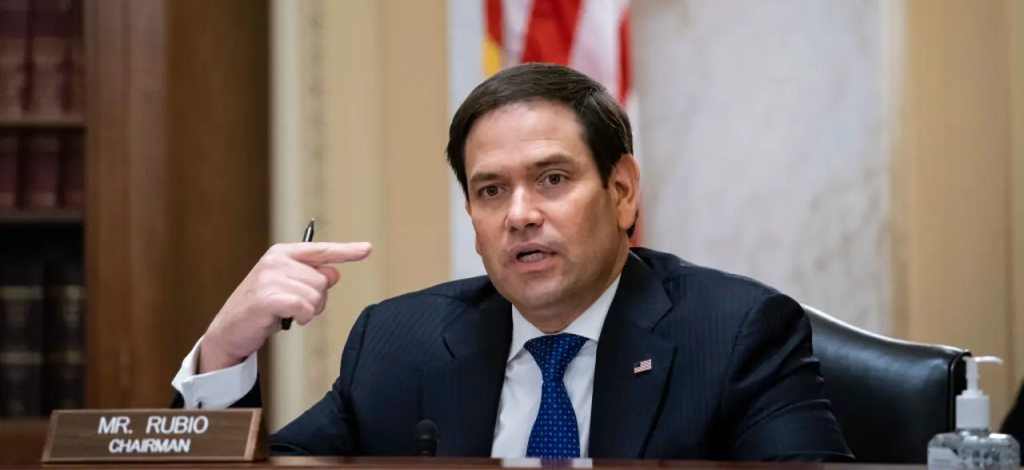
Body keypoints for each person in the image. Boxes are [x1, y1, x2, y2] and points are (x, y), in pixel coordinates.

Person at [170, 62, 853, 461]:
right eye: (491, 190)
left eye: (552, 179)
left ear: (621, 191)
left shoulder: (734, 334)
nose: (520, 214)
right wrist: (224, 355)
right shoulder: (399, 343)